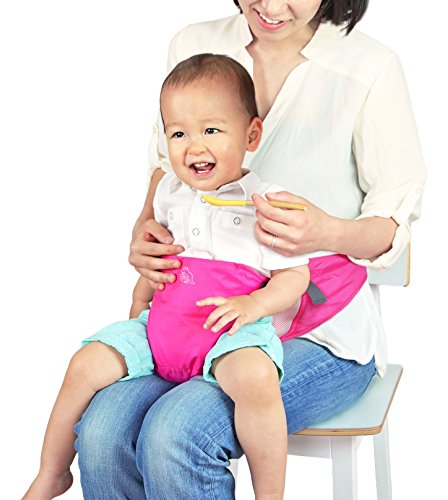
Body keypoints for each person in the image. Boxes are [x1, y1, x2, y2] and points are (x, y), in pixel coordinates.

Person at [74, 1, 426, 499]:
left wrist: (327, 232)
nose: (271, 6)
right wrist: (144, 228)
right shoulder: (195, 45)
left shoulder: (368, 68)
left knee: (177, 432)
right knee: (102, 429)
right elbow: (165, 168)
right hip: (192, 322)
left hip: (321, 331)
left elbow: (392, 228)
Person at [24, 53, 327, 500]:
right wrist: (139, 300)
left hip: (229, 334)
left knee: (256, 378)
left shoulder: (265, 203)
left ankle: (270, 496)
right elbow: (161, 258)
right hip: (164, 331)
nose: (194, 146)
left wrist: (254, 305)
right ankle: (52, 472)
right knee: (84, 363)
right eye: (179, 133)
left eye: (211, 130)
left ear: (251, 135)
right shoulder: (169, 192)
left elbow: (296, 276)